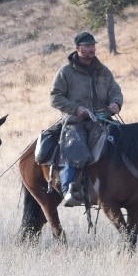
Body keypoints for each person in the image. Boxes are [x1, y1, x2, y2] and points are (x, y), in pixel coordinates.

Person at [49, 31, 122, 206]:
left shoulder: (103, 71)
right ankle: (69, 191)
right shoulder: (65, 72)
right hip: (76, 122)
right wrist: (76, 109)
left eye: (93, 46)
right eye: (87, 46)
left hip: (103, 119)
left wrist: (116, 103)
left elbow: (115, 91)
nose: (91, 49)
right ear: (77, 48)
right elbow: (55, 97)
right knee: (76, 148)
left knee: (126, 139)